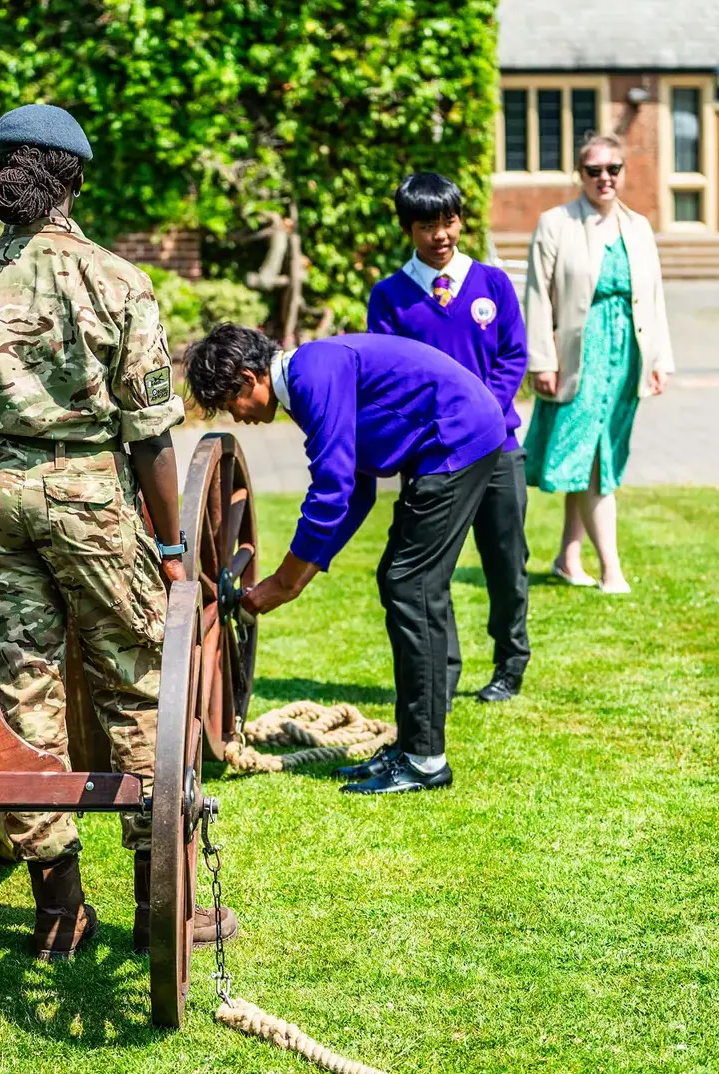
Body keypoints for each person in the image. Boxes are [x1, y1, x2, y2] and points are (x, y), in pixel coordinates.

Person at [0, 104, 237, 961]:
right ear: (74, 178)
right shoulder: (119, 282)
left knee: (22, 699)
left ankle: (58, 909)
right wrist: (172, 551)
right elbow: (148, 435)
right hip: (92, 500)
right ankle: (156, 902)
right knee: (136, 682)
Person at [185, 326, 507, 794]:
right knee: (402, 583)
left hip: (456, 438)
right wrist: (301, 575)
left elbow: (332, 489)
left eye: (229, 402)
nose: (236, 416)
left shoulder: (312, 375)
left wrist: (283, 584)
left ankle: (425, 760)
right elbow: (356, 486)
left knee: (411, 586)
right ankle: (412, 747)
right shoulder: (311, 376)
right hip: (450, 438)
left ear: (249, 378)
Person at [368, 172, 531, 704]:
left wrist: (482, 413)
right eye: (426, 225)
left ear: (460, 220)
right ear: (407, 229)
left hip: (499, 451)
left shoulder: (493, 285)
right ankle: (446, 668)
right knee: (433, 572)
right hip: (435, 459)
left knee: (506, 561)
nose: (440, 234)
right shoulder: (391, 298)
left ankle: (510, 663)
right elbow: (388, 377)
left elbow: (513, 358)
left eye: (449, 220)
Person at [523, 133, 674, 594]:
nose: (604, 178)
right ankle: (612, 569)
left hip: (626, 354)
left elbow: (653, 298)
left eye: (613, 169)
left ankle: (569, 557)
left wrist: (658, 359)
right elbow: (537, 297)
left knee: (599, 451)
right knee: (594, 459)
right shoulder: (555, 224)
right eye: (594, 170)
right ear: (579, 174)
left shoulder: (639, 227)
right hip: (577, 357)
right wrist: (541, 361)